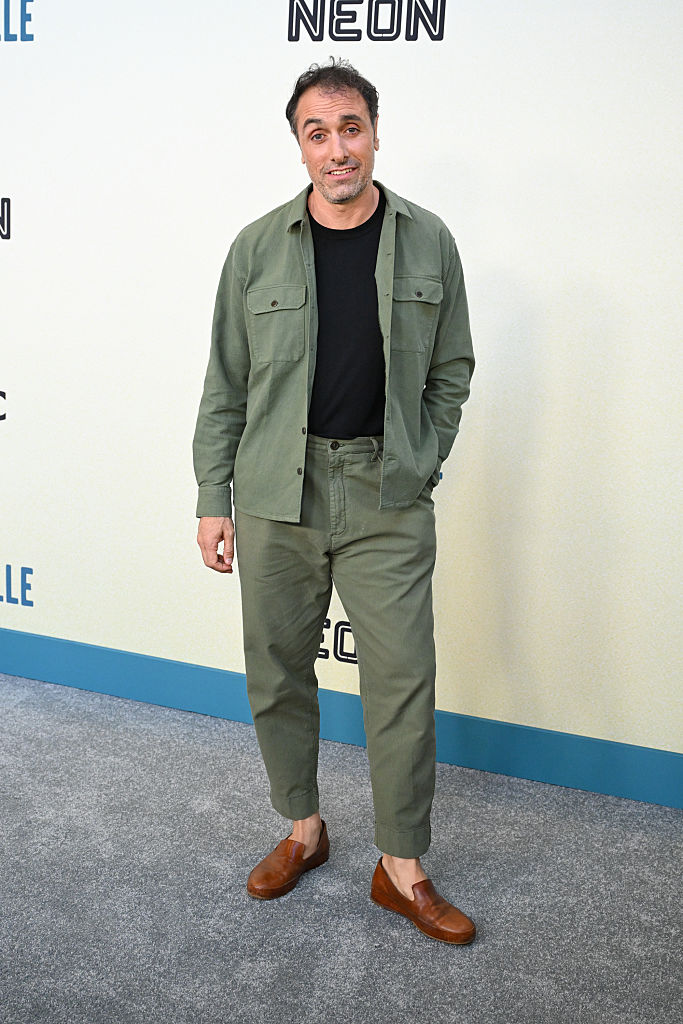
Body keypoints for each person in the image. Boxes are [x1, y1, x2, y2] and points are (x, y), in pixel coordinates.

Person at [193, 58, 475, 945]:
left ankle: (403, 867)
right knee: (277, 668)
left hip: (386, 493)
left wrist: (420, 462)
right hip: (277, 492)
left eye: (349, 127)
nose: (336, 148)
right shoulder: (255, 248)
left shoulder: (428, 240)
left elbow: (451, 371)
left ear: (374, 134)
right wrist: (212, 496)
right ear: (299, 146)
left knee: (401, 679)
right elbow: (226, 384)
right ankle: (304, 829)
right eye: (316, 133)